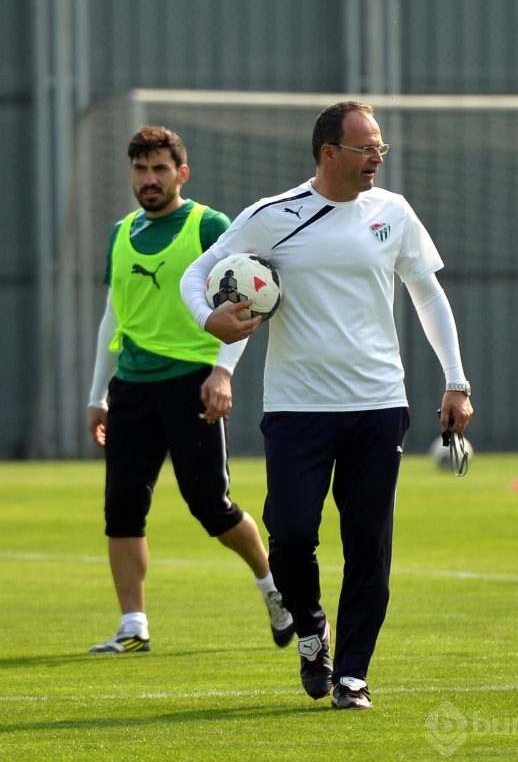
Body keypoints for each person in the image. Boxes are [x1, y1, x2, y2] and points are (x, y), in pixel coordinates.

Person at [180, 101, 473, 709]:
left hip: (378, 405)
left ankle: (353, 676)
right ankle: (312, 630)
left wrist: (456, 381)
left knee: (368, 544)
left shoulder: (393, 212)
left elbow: (428, 295)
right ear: (328, 153)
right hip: (297, 408)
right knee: (290, 536)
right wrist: (210, 319)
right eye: (366, 148)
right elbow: (196, 274)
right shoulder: (272, 215)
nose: (376, 158)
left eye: (380, 148)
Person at [86, 125, 294, 654]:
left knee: (211, 506)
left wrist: (221, 373)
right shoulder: (121, 232)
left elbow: (243, 306)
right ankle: (133, 625)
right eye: (140, 169)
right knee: (121, 509)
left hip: (191, 384)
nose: (148, 179)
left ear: (182, 173)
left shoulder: (209, 226)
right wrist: (97, 395)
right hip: (131, 388)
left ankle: (274, 589)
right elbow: (113, 315)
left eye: (159, 168)